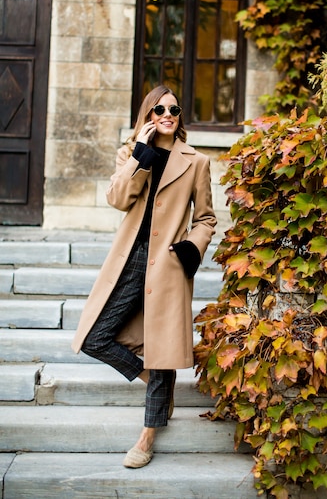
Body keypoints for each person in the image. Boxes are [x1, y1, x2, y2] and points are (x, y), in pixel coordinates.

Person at [71, 85, 217, 468]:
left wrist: (191, 248)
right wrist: (141, 153)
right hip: (130, 259)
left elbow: (205, 218)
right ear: (149, 116)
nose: (168, 114)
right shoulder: (132, 154)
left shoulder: (196, 161)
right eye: (159, 109)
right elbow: (118, 199)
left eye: (174, 108)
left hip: (169, 262)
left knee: (161, 343)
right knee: (94, 338)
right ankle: (157, 383)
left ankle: (147, 436)